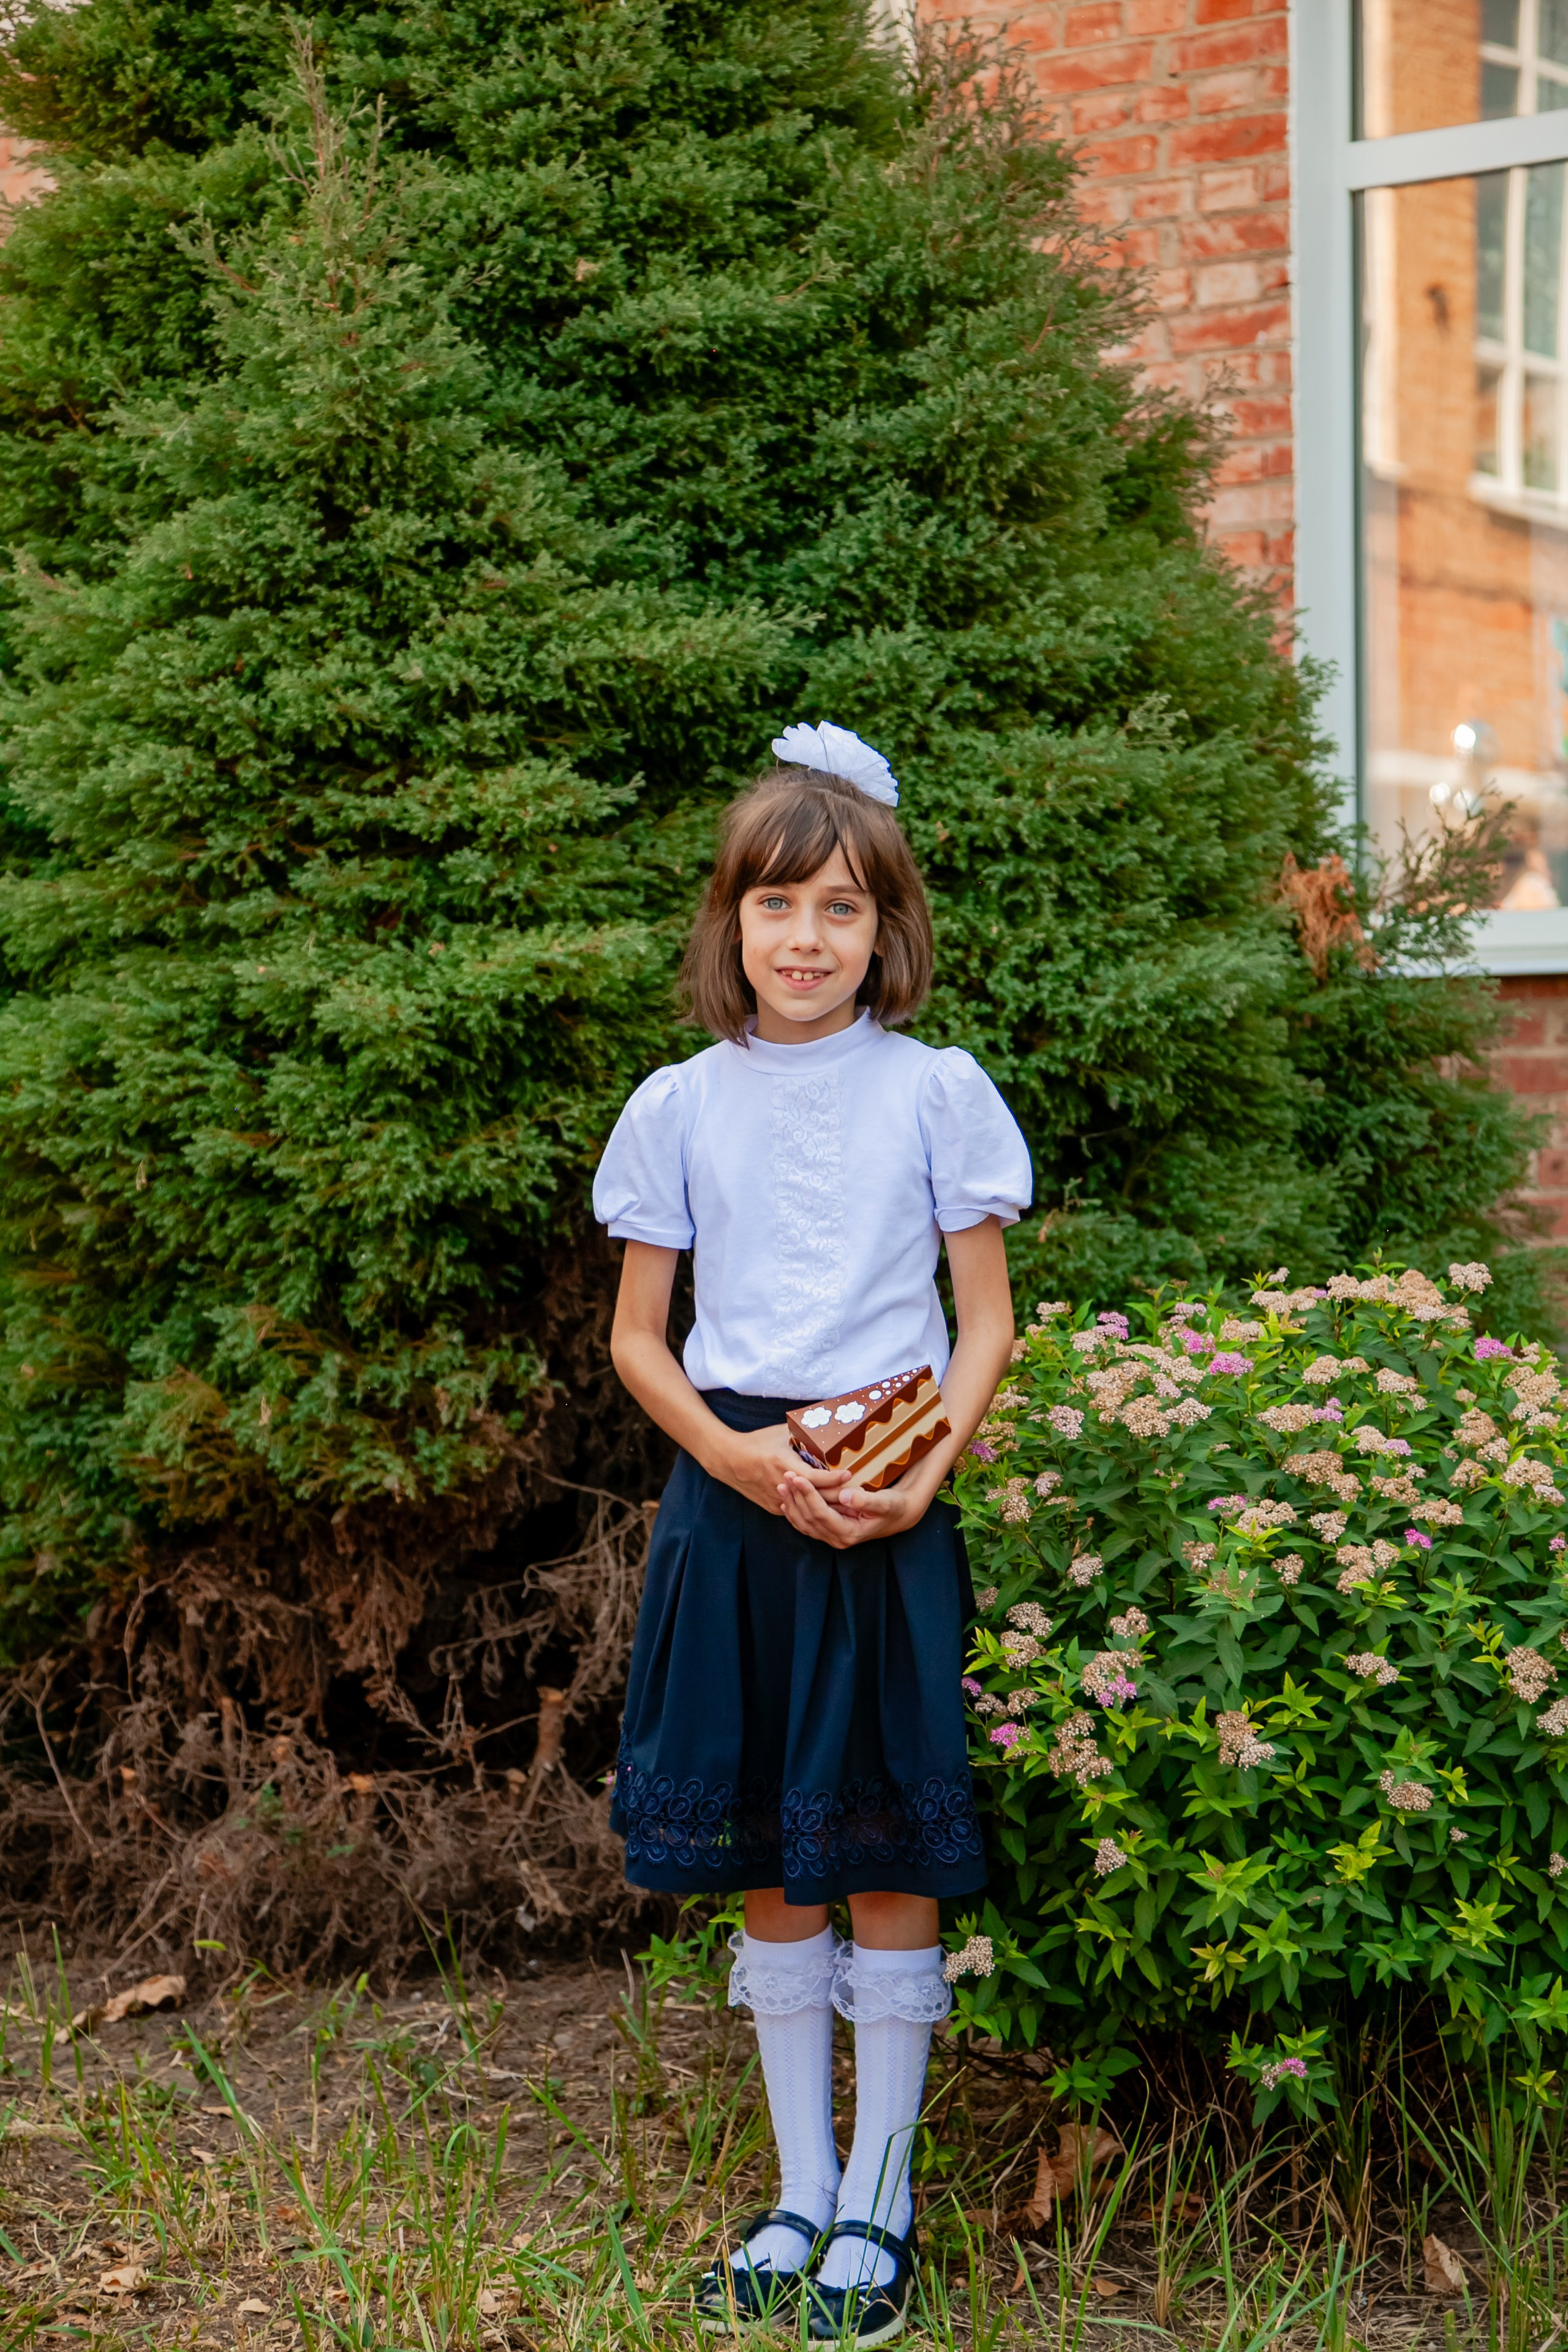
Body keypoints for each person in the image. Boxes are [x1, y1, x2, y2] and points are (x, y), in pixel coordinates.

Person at [593, 722, 1031, 2344]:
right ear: (731, 925)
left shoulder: (936, 1091)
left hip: (891, 1492)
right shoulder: (678, 1105)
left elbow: (985, 1322)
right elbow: (640, 1337)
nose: (805, 938)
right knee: (774, 1862)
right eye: (775, 905)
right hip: (738, 1501)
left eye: (840, 908)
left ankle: (882, 2200)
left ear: (883, 928)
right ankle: (801, 2186)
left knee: (887, 1851)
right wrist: (738, 1456)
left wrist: (922, 1476)